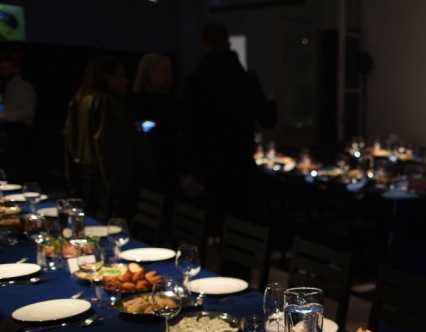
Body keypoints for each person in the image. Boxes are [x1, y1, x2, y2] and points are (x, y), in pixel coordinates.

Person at [181, 22, 277, 226]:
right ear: (228, 44)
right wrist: (270, 105)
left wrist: (185, 168)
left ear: (203, 44)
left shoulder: (195, 83)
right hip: (241, 163)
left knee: (216, 222)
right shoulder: (245, 80)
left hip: (210, 164)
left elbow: (189, 129)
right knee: (241, 223)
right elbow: (268, 120)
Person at [64, 55, 134, 221]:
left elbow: (69, 143)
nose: (126, 81)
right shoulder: (106, 102)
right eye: (121, 75)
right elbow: (106, 146)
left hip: (83, 179)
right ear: (106, 76)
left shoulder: (79, 100)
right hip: (105, 181)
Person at [129, 53, 181, 200]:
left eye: (171, 71)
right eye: (164, 71)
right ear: (149, 73)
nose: (170, 75)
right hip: (152, 167)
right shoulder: (140, 103)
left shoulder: (172, 102)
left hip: (172, 165)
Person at [0, 51, 36, 183]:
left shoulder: (23, 87)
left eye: (6, 68)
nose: (3, 71)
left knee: (19, 172)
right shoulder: (8, 86)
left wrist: (4, 115)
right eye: (1, 68)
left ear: (16, 69)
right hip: (11, 133)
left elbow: (28, 111)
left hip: (21, 134)